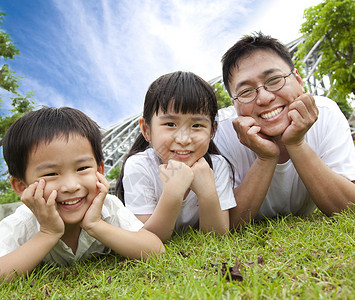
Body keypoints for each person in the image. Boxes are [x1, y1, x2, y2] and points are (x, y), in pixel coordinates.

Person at [0, 107, 164, 280]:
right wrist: (47, 233)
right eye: (51, 174)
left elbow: (155, 250)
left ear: (99, 170)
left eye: (82, 168)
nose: (71, 186)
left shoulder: (107, 207)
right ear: (21, 186)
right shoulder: (24, 222)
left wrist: (95, 225)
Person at [214, 32, 355, 228]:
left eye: (274, 80)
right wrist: (265, 158)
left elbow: (348, 208)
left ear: (298, 79)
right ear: (234, 104)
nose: (264, 98)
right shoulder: (221, 132)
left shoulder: (326, 113)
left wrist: (296, 144)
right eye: (246, 91)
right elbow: (226, 224)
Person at [116, 71, 236, 242]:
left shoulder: (216, 165)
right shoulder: (139, 166)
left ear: (212, 131)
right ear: (146, 130)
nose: (183, 139)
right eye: (170, 124)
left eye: (197, 125)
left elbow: (218, 237)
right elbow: (147, 241)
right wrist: (173, 193)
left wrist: (207, 193)